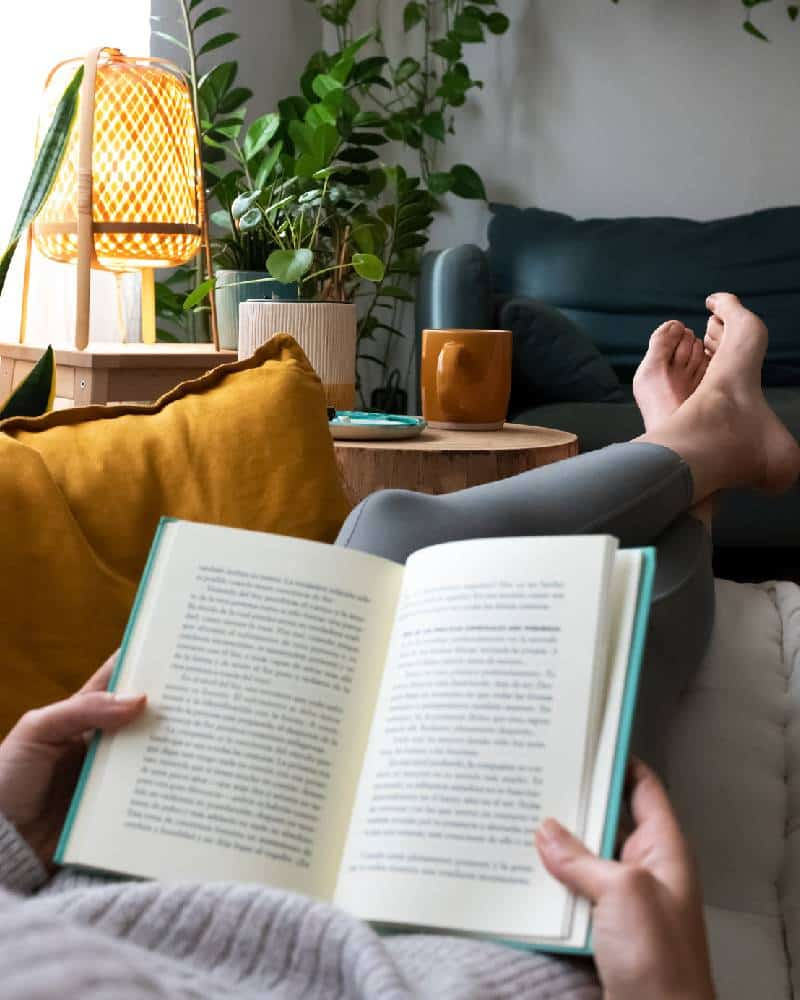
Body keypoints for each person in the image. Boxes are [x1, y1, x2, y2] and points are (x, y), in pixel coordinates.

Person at [0, 293, 796, 999]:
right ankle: (700, 457)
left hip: (125, 887)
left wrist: (11, 831)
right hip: (436, 960)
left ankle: (699, 452)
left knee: (387, 526)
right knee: (586, 613)